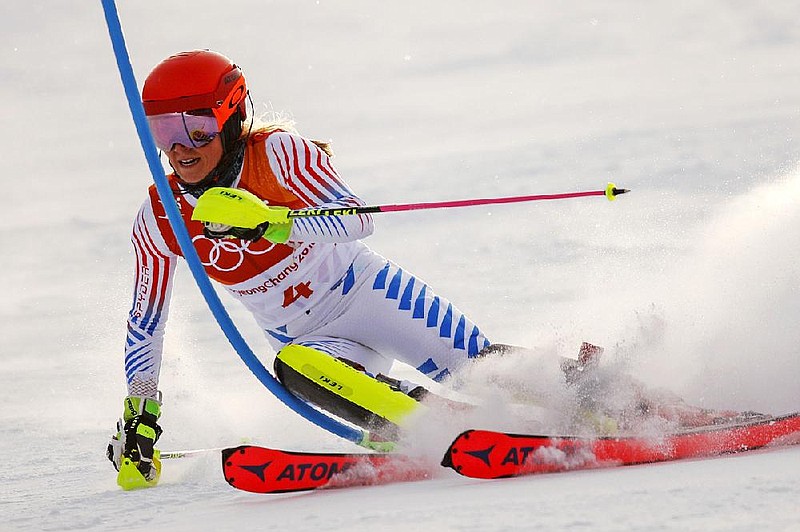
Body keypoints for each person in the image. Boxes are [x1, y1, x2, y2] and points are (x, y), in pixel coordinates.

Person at [106, 49, 494, 484]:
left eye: (196, 129)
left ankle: (578, 388)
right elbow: (146, 322)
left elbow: (358, 218)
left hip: (370, 294)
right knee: (293, 368)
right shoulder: (160, 217)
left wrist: (274, 224)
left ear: (231, 117)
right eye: (163, 132)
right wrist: (141, 414)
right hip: (309, 341)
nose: (180, 148)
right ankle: (431, 424)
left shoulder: (277, 154)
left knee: (483, 371)